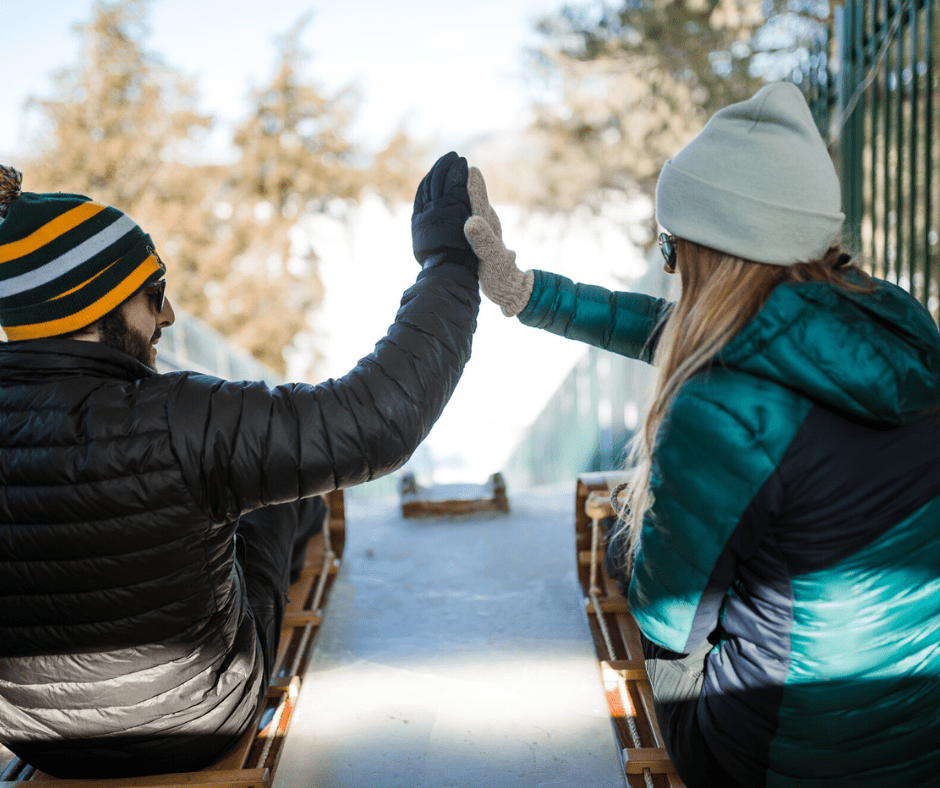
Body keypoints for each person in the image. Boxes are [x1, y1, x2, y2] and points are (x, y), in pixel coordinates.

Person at [463, 82, 940, 787]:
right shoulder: (896, 324)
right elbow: (694, 336)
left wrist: (628, 544)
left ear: (710, 250)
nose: (668, 265)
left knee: (631, 592)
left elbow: (668, 623)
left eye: (669, 245)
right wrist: (529, 294)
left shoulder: (720, 407)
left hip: (789, 754)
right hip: (918, 730)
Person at [0, 151, 479, 779]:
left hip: (35, 736)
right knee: (283, 495)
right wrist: (448, 266)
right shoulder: (180, 414)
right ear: (94, 307)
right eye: (153, 294)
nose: (167, 315)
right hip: (197, 720)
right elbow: (374, 420)